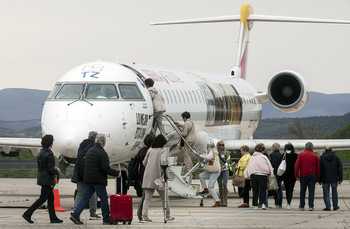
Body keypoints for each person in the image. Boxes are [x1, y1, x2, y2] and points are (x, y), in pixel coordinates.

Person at [70, 134, 121, 225]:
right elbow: (105, 168)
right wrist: (116, 173)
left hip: (89, 179)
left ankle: (76, 214)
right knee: (104, 198)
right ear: (104, 142)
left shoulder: (90, 151)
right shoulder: (102, 153)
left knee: (85, 197)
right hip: (98, 180)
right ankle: (106, 219)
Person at [22, 134, 63, 224]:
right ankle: (27, 214)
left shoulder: (41, 153)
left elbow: (43, 167)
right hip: (47, 179)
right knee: (42, 198)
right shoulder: (49, 154)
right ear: (51, 144)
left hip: (42, 178)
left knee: (51, 199)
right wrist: (57, 170)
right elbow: (50, 169)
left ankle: (53, 218)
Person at [141, 134, 174, 222]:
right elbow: (163, 162)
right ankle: (167, 215)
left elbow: (144, 162)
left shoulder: (150, 150)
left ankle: (144, 216)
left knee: (147, 198)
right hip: (158, 178)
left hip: (148, 177)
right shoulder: (163, 150)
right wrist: (166, 171)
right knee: (164, 197)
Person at [71, 131, 100, 220]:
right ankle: (93, 213)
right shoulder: (94, 146)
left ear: (88, 136)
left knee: (80, 192)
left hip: (79, 173)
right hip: (90, 174)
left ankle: (76, 211)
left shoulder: (81, 145)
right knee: (93, 193)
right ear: (95, 138)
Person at [244, 143, 274, 210]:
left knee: (255, 190)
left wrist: (246, 175)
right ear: (262, 150)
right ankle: (263, 204)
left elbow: (248, 166)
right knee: (263, 190)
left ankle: (255, 205)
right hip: (263, 175)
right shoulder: (264, 157)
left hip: (254, 175)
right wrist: (271, 174)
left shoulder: (252, 157)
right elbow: (269, 166)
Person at [295, 142, 320, 211]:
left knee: (302, 191)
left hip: (303, 175)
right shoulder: (315, 156)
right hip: (312, 175)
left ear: (305, 147)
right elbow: (318, 168)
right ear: (312, 148)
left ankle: (302, 206)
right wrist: (317, 178)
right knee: (311, 191)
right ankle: (311, 206)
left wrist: (296, 175)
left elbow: (297, 166)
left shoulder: (301, 155)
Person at [195, 141, 221, 207]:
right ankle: (205, 189)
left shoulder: (212, 151)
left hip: (215, 171)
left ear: (209, 146)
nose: (206, 146)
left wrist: (199, 155)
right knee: (201, 176)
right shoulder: (211, 151)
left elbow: (209, 157)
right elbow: (208, 155)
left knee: (211, 186)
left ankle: (217, 201)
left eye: (207, 145)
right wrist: (202, 154)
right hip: (211, 170)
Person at [137, 134, 155, 221]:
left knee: (145, 195)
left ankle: (141, 214)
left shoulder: (142, 150)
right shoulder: (149, 151)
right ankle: (141, 214)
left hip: (142, 175)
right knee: (145, 196)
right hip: (146, 175)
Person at [319, 146, 343, 211]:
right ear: (331, 150)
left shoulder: (322, 158)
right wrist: (340, 178)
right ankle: (335, 206)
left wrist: (319, 179)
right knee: (334, 192)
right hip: (334, 178)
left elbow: (320, 170)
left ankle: (328, 206)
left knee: (326, 193)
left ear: (325, 150)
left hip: (325, 178)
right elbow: (339, 169)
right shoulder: (336, 158)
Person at [280, 142, 298, 210]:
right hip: (293, 175)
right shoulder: (295, 156)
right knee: (291, 189)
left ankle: (287, 202)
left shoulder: (283, 156)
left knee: (287, 189)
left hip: (285, 175)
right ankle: (289, 203)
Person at [216, 140, 230, 207]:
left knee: (225, 184)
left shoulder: (226, 152)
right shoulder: (216, 153)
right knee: (220, 184)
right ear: (218, 146)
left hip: (225, 169)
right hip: (218, 170)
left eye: (222, 145)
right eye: (220, 145)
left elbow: (228, 160)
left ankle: (225, 200)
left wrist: (224, 166)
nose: (221, 146)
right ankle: (221, 200)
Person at [270, 143, 283, 208]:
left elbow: (273, 165)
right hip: (280, 173)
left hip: (275, 174)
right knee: (279, 188)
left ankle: (277, 203)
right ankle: (279, 203)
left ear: (275, 148)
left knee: (275, 188)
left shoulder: (274, 155)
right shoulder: (280, 155)